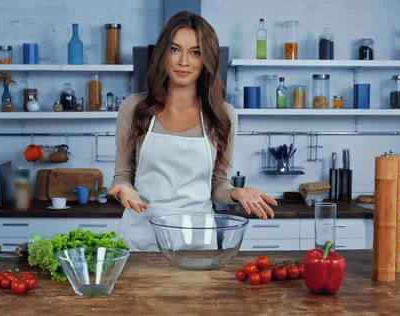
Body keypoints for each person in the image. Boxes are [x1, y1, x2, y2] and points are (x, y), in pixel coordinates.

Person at [108, 11, 277, 252]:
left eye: (195, 52)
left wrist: (236, 192)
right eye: (175, 49)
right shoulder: (135, 108)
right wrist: (123, 189)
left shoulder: (223, 115)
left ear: (206, 58)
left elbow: (218, 186)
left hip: (197, 243)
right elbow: (122, 175)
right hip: (142, 241)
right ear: (163, 54)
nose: (183, 61)